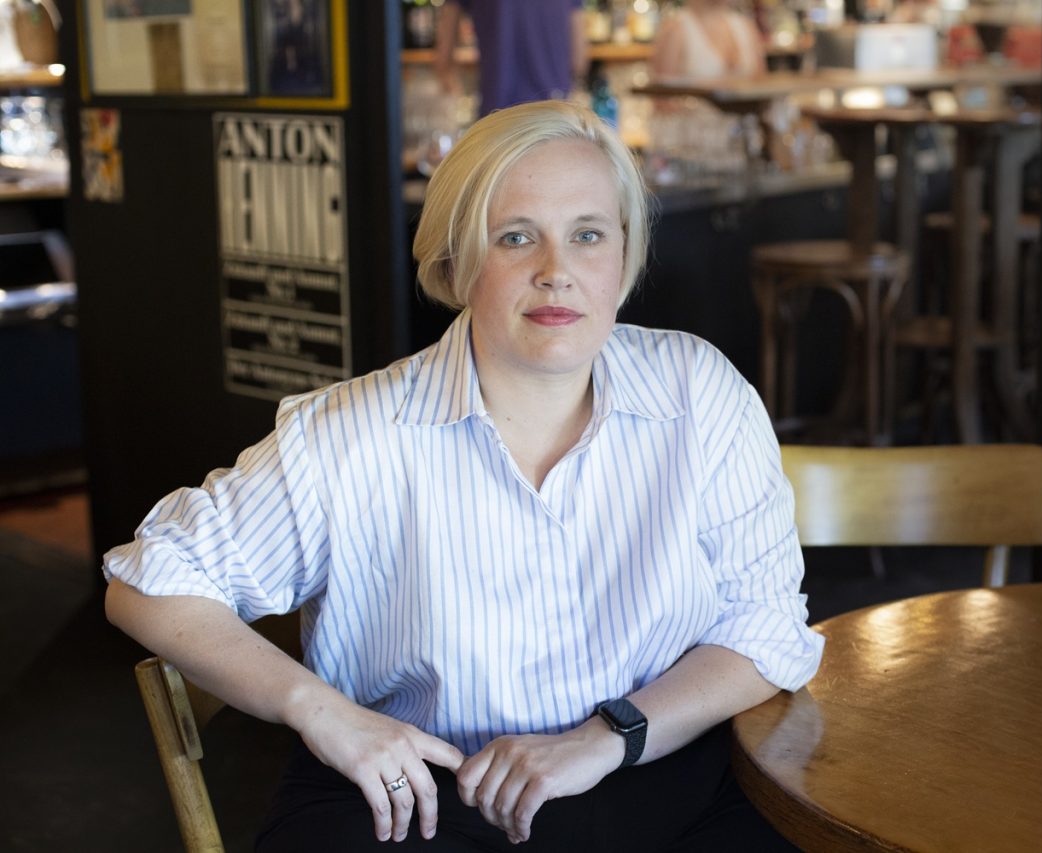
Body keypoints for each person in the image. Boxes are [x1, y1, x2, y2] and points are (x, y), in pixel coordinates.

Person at [103, 100, 823, 851]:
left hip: (656, 761)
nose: (557, 273)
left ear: (624, 256)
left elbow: (765, 622)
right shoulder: (353, 433)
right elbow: (151, 578)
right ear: (456, 260)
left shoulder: (697, 391)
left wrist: (610, 735)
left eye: (588, 236)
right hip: (420, 794)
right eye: (516, 237)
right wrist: (317, 708)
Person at [436, 0, 587, 117]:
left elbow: (445, 44)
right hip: (554, 107)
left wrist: (447, 75)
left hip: (496, 106)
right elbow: (579, 60)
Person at [649, 0, 765, 79]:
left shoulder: (746, 28)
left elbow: (762, 85)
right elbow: (662, 101)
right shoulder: (675, 29)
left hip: (748, 115)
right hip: (693, 115)